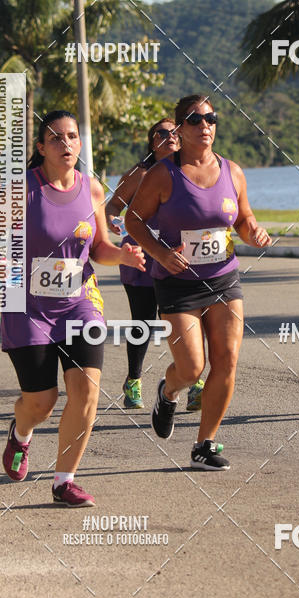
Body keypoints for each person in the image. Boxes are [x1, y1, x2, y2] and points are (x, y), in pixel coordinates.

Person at [0, 110, 145, 507]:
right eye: (56, 138)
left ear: (80, 143)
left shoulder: (93, 190)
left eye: (71, 136)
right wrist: (3, 268)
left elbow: (99, 248)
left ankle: (63, 481)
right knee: (42, 402)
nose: (65, 144)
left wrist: (124, 255)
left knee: (86, 390)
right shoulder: (23, 192)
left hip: (80, 302)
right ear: (41, 148)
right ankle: (21, 434)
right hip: (26, 304)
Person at [125, 94, 271, 470]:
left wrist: (253, 231)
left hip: (224, 278)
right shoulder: (162, 174)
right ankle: (169, 391)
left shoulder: (232, 171)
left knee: (227, 360)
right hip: (177, 283)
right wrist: (159, 254)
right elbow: (134, 222)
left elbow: (243, 217)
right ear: (180, 129)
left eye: (210, 118)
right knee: (191, 368)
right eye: (194, 120)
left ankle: (205, 444)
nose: (205, 125)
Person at [106, 118, 208, 411]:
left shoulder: (190, 169)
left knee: (186, 319)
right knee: (144, 321)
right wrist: (113, 220)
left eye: (176, 131)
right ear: (153, 141)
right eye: (163, 133)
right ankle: (133, 380)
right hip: (141, 255)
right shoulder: (139, 173)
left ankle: (195, 383)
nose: (171, 136)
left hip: (179, 256)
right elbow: (113, 205)